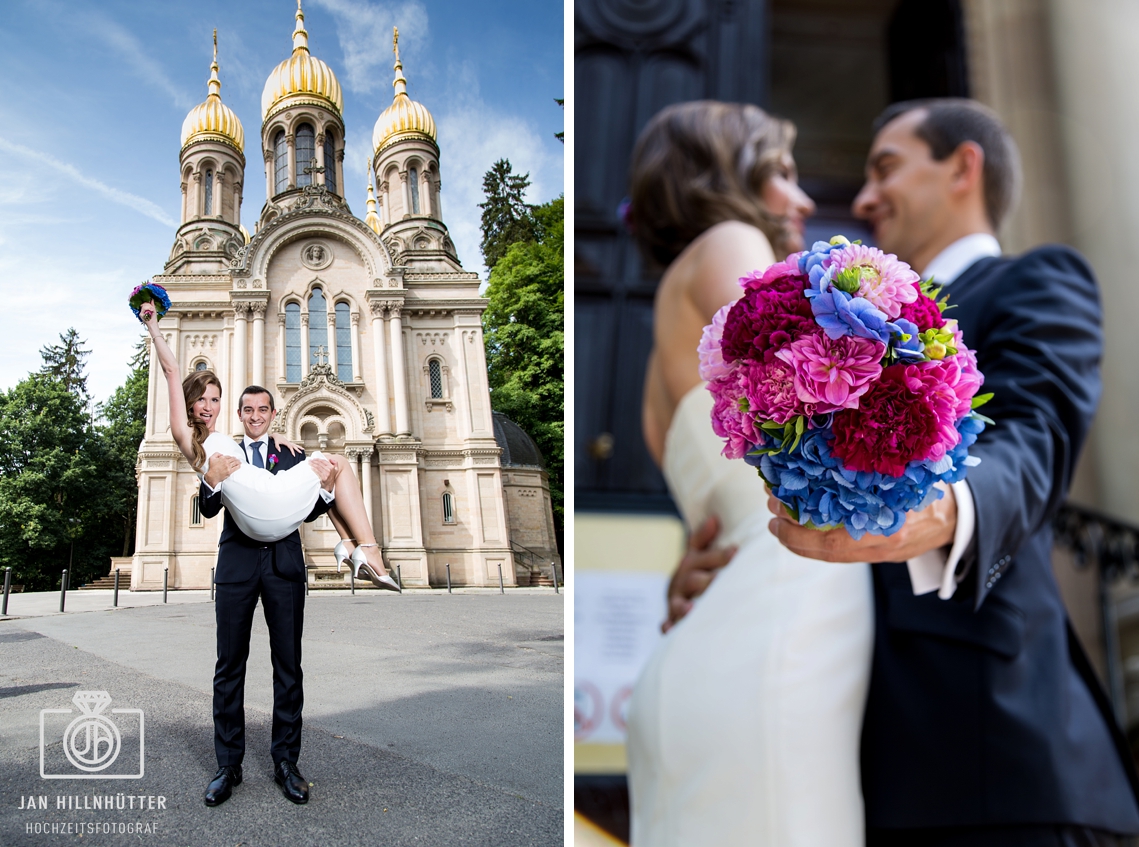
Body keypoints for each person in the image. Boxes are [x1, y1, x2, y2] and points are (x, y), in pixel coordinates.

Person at [666, 98, 1139, 845]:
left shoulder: (1034, 279)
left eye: (884, 166)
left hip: (989, 757)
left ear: (962, 166)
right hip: (844, 757)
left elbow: (1034, 441)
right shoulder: (827, 312)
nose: (858, 199)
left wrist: (945, 509)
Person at [623, 100, 875, 847]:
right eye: (783, 175)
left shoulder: (663, 326)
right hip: (786, 616)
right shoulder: (730, 242)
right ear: (725, 178)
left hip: (714, 628)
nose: (804, 201)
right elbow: (820, 397)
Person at [139, 300, 398, 808]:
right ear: (191, 406)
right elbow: (171, 370)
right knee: (228, 666)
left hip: (282, 553)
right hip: (239, 560)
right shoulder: (193, 444)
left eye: (215, 398)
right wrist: (153, 325)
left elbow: (301, 493)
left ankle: (286, 762)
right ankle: (227, 766)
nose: (208, 405)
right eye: (203, 399)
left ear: (265, 414)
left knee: (289, 666)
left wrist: (288, 453)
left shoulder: (272, 445)